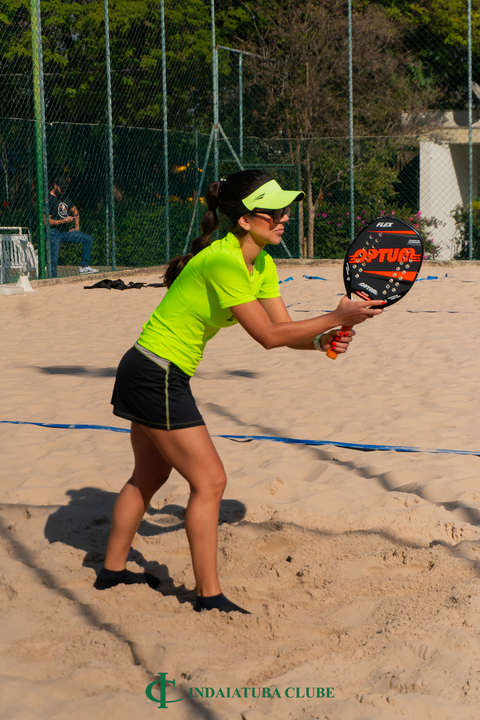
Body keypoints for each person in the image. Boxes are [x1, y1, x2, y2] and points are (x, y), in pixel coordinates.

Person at [94, 170, 384, 613]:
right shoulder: (223, 261)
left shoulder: (261, 263)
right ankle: (209, 597)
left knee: (149, 477)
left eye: (286, 209)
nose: (284, 217)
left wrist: (322, 339)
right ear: (245, 220)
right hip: (155, 373)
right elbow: (267, 337)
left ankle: (113, 571)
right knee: (210, 482)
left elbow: (283, 330)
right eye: (274, 211)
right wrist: (336, 316)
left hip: (151, 369)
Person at [48, 175, 99, 277]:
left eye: (64, 188)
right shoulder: (48, 199)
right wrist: (64, 221)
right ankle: (53, 278)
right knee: (53, 260)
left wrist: (76, 228)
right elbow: (47, 222)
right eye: (61, 188)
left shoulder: (65, 197)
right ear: (55, 185)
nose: (63, 190)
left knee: (88, 238)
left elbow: (76, 212)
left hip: (66, 232)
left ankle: (84, 267)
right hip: (53, 232)